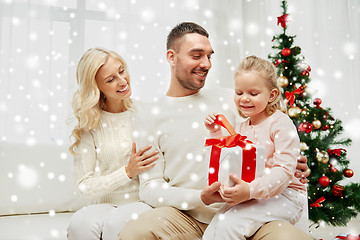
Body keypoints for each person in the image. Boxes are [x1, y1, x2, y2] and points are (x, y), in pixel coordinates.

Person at [118, 22, 311, 240]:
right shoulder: (149, 116)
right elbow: (150, 188)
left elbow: (267, 137)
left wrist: (294, 162)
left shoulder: (235, 98)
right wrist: (201, 198)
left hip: (252, 208)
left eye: (209, 56)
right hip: (186, 218)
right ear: (172, 57)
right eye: (196, 55)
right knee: (135, 231)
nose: (206, 64)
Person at [202, 55, 307, 240]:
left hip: (285, 195)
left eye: (253, 93)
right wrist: (216, 132)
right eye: (239, 93)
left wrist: (249, 191)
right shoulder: (242, 128)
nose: (244, 99)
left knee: (230, 226)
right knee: (213, 230)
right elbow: (226, 155)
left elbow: (283, 171)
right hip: (254, 194)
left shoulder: (280, 124)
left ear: (272, 95)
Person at [67, 47, 158, 240]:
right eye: (111, 79)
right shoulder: (89, 124)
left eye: (122, 70)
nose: (123, 81)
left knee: (115, 223)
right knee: (80, 224)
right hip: (105, 203)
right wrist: (127, 172)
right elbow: (83, 186)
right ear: (96, 87)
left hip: (141, 201)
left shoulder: (147, 114)